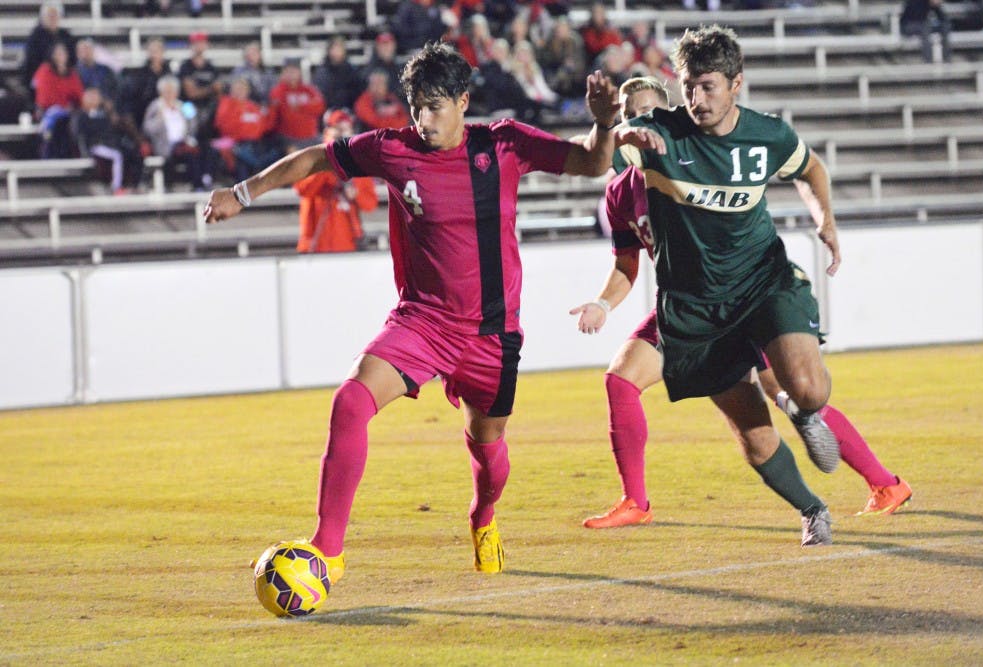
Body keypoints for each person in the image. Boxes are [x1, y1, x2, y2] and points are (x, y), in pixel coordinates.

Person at [204, 42, 659, 584]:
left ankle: (483, 516)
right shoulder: (392, 149)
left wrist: (605, 123)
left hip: (493, 334)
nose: (423, 119)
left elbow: (591, 162)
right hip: (422, 321)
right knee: (350, 400)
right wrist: (243, 192)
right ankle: (327, 550)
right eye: (417, 106)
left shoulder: (504, 143)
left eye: (436, 106)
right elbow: (316, 158)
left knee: (488, 450)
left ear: (464, 102)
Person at [572, 77, 912, 537]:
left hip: (744, 295)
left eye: (651, 113)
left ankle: (883, 482)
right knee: (628, 382)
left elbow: (778, 176)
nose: (643, 124)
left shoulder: (694, 158)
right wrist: (602, 304)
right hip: (689, 308)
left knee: (791, 393)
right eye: (634, 115)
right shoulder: (618, 193)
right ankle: (639, 499)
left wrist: (823, 223)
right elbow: (626, 262)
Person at [294, 110, 377, 253]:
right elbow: (302, 190)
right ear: (327, 132)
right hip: (316, 244)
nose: (342, 135)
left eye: (346, 130)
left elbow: (370, 204)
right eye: (338, 129)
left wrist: (356, 194)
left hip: (348, 244)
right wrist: (328, 160)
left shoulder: (358, 163)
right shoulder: (313, 158)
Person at [72, 87, 144, 194]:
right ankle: (116, 187)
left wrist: (111, 113)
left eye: (96, 97)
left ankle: (134, 184)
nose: (94, 100)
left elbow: (116, 129)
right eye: (91, 97)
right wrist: (85, 152)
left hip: (112, 143)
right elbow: (81, 136)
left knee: (133, 153)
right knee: (116, 155)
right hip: (96, 145)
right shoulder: (81, 116)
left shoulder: (105, 114)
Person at [269, 58, 326, 153]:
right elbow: (284, 112)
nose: (291, 74)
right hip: (289, 138)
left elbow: (320, 107)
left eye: (294, 71)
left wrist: (300, 107)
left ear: (299, 72)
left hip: (312, 137)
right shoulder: (278, 90)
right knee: (294, 156)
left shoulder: (309, 89)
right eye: (288, 71)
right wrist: (305, 108)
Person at [21, 0, 76, 91]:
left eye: (55, 15)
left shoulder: (66, 36)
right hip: (42, 80)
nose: (52, 18)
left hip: (64, 78)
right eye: (49, 15)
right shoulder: (35, 37)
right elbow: (31, 63)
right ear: (43, 17)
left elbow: (73, 60)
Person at [312, 36, 363, 113]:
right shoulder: (321, 72)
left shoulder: (352, 71)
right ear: (329, 51)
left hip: (349, 111)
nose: (337, 52)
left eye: (339, 49)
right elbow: (319, 96)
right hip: (327, 112)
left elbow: (358, 95)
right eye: (334, 49)